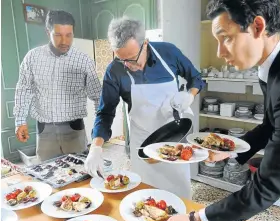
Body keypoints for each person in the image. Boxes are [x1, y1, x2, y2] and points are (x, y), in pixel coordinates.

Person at [158, 0, 280, 221]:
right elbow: (271, 126)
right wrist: (228, 151)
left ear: (258, 26)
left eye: (225, 38)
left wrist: (194, 219)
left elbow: (266, 188)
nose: (219, 51)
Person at [84, 17, 205, 199]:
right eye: (122, 59)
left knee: (179, 193)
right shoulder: (114, 71)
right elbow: (106, 112)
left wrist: (190, 94)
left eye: (132, 59)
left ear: (145, 44)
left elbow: (196, 78)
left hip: (174, 137)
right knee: (145, 194)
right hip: (142, 140)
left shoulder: (169, 53)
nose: (128, 66)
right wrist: (96, 146)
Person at [14, 10, 101, 162]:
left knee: (80, 175)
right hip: (45, 131)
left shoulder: (84, 61)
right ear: (48, 32)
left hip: (74, 131)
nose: (64, 41)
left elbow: (98, 96)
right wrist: (20, 120)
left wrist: (100, 129)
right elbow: (23, 89)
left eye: (69, 35)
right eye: (58, 35)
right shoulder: (32, 58)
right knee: (46, 175)